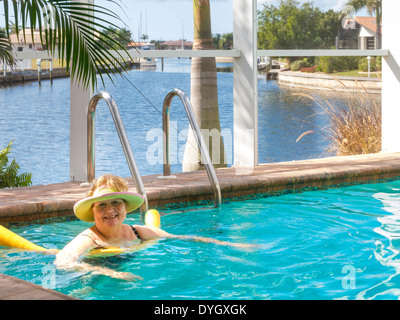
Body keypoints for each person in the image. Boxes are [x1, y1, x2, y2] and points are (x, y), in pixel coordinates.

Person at [55, 174, 253, 281]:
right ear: (92, 211)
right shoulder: (89, 239)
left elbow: (180, 238)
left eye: (116, 203)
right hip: (94, 282)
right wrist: (111, 274)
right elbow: (63, 262)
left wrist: (228, 244)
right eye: (102, 205)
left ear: (125, 207)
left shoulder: (137, 231)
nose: (110, 210)